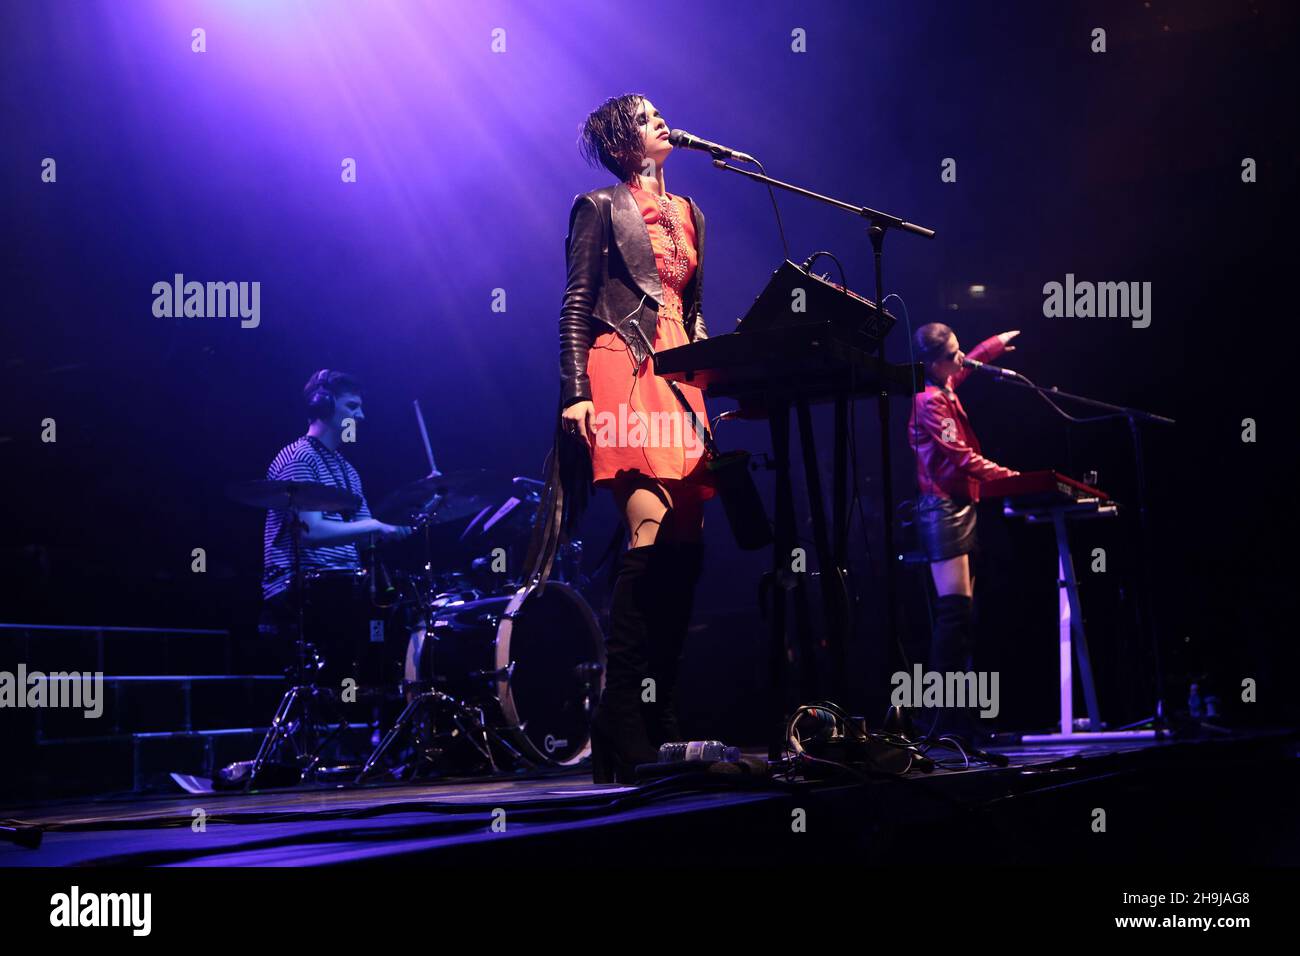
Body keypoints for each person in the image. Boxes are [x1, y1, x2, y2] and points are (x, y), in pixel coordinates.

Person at [547, 94, 714, 782]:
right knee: (649, 527)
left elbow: (695, 305)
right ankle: (617, 716)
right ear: (622, 145)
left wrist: (716, 362)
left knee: (686, 545)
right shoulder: (599, 206)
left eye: (657, 113)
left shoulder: (692, 212)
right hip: (622, 362)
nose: (661, 120)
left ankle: (659, 714)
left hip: (682, 371)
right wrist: (576, 392)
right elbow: (576, 304)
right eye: (645, 118)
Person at [907, 325, 1020, 738]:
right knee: (953, 616)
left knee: (964, 617)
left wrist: (990, 348)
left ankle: (957, 719)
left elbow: (965, 368)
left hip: (959, 505)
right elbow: (963, 457)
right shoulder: (929, 402)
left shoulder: (944, 381)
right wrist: (1012, 477)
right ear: (932, 362)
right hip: (942, 511)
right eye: (952, 355)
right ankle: (940, 719)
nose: (960, 360)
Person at [261, 370, 409, 636]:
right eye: (352, 406)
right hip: (300, 587)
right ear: (323, 405)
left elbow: (364, 538)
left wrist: (413, 514)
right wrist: (374, 525)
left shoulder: (348, 470)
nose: (361, 417)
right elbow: (312, 532)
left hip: (341, 585)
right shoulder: (300, 457)